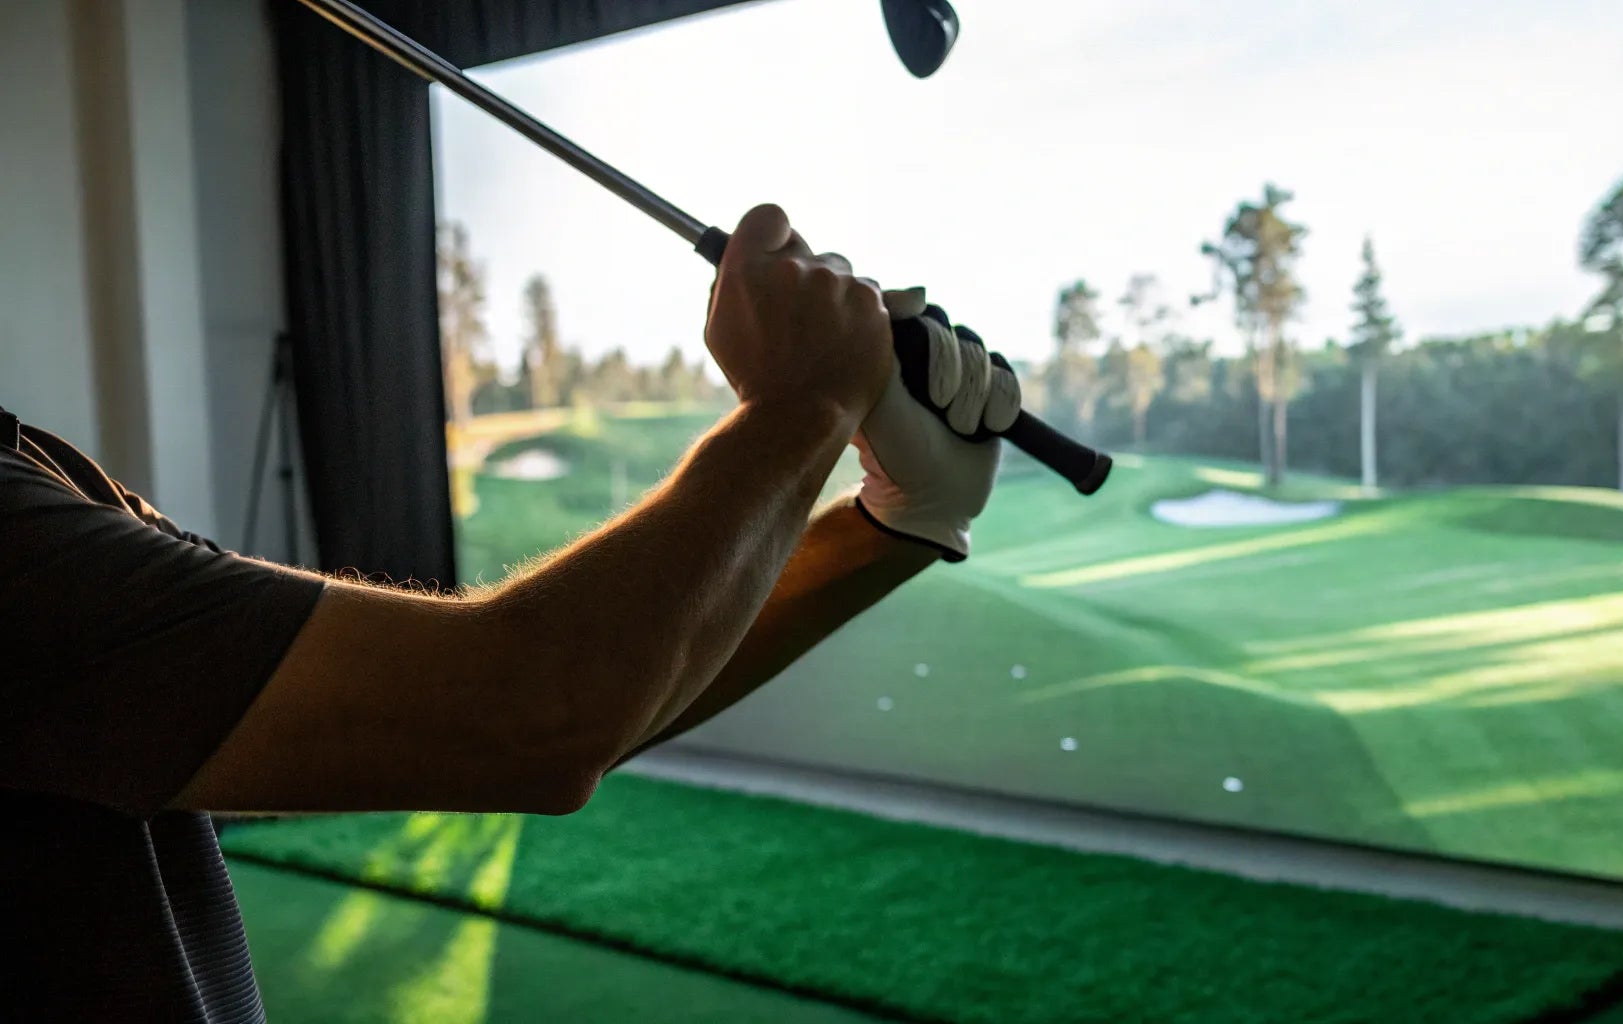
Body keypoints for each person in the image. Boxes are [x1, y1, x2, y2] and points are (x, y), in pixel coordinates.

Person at [0, 204, 1015, 1021]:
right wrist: (804, 407)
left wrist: (891, 525)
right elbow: (526, 709)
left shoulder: (37, 466)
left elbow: (552, 704)